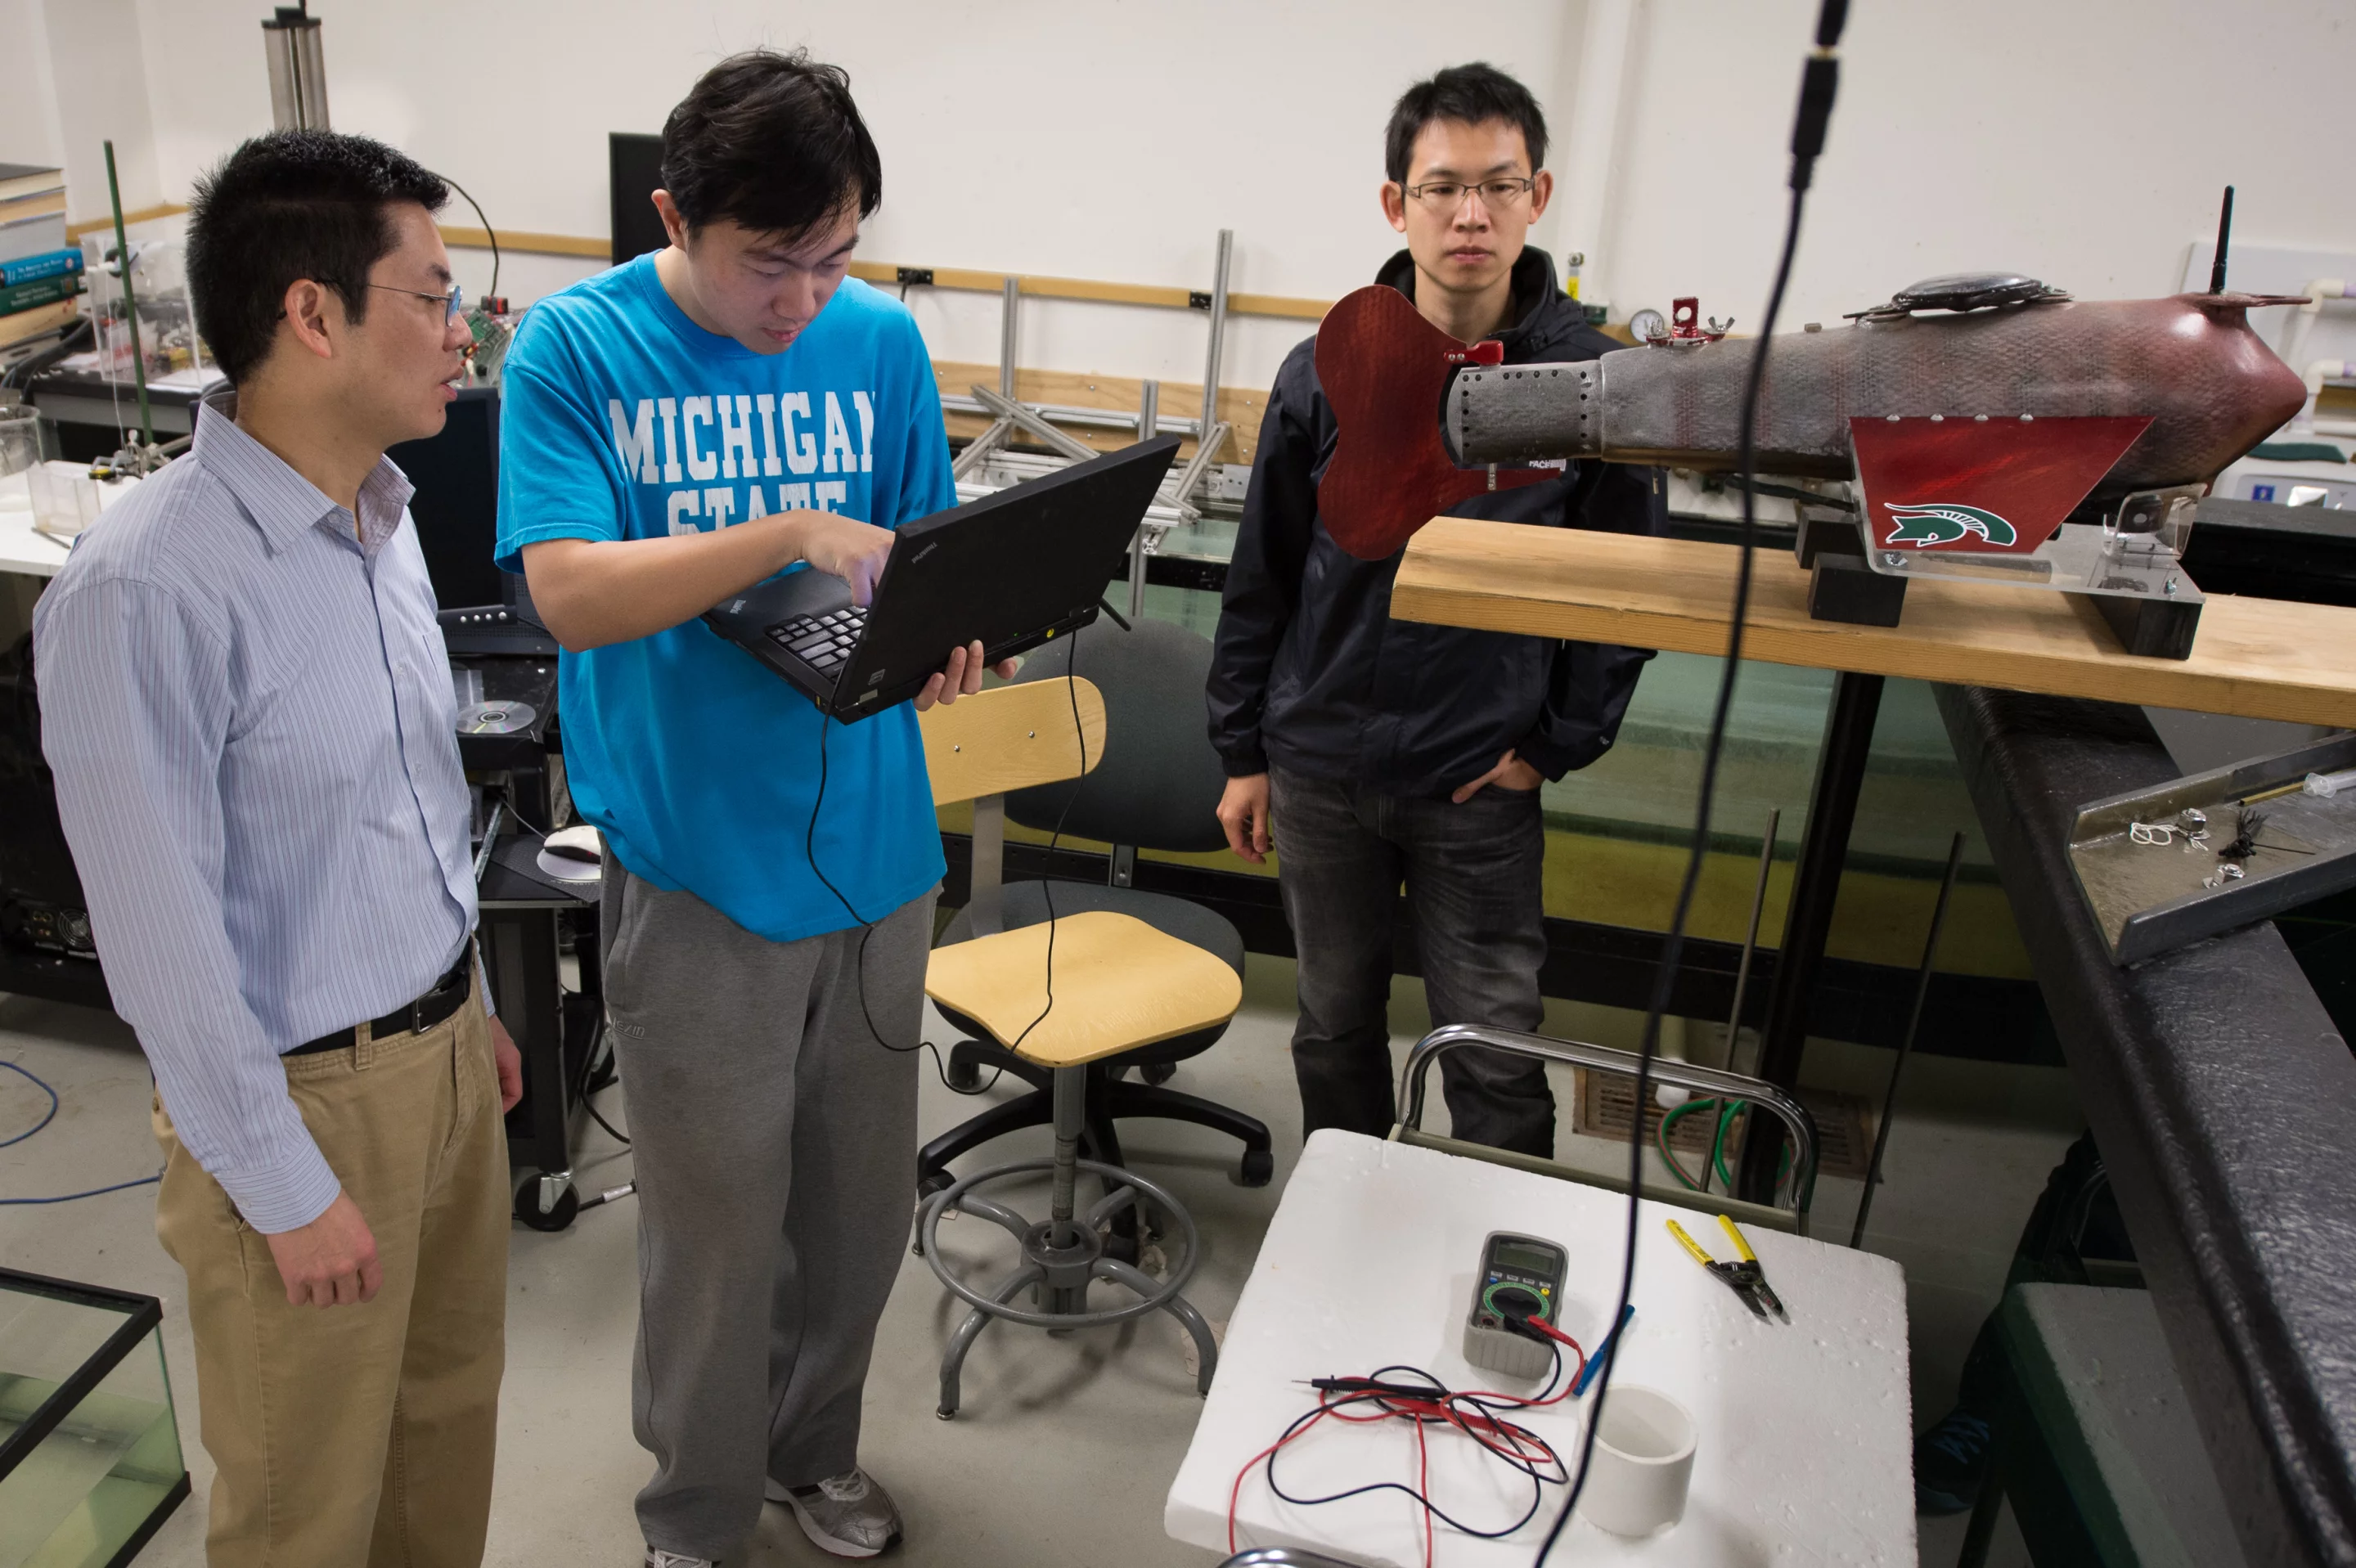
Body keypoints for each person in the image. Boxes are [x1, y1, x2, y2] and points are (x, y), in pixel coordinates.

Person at [496, 49, 1005, 1567]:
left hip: (875, 855)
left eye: (835, 254)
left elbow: (921, 558)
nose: (804, 296)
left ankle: (815, 1453)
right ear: (675, 214)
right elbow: (570, 591)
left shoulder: (881, 346)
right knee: (716, 1237)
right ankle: (697, 1513)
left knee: (854, 1219)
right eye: (769, 261)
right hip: (696, 867)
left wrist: (953, 633)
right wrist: (778, 524)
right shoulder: (575, 350)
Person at [35, 130, 524, 1566]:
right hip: (302, 1109)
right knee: (304, 1510)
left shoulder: (381, 515)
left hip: (436, 1066)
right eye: (434, 299)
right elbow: (159, 934)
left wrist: (472, 1006)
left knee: (445, 1448)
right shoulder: (147, 589)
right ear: (313, 316)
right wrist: (282, 1185)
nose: (463, 333)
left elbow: (409, 798)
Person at [1207, 62, 1667, 1158]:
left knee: (1496, 1054)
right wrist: (1243, 748)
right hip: (1322, 769)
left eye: (1499, 186)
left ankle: (1494, 1279)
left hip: (1479, 777)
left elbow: (1630, 594)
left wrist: (1549, 749)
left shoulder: (1596, 388)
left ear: (1537, 198)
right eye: (1442, 187)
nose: (1471, 213)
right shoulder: (1322, 371)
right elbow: (1262, 571)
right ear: (1395, 204)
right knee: (1332, 1027)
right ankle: (1343, 1225)